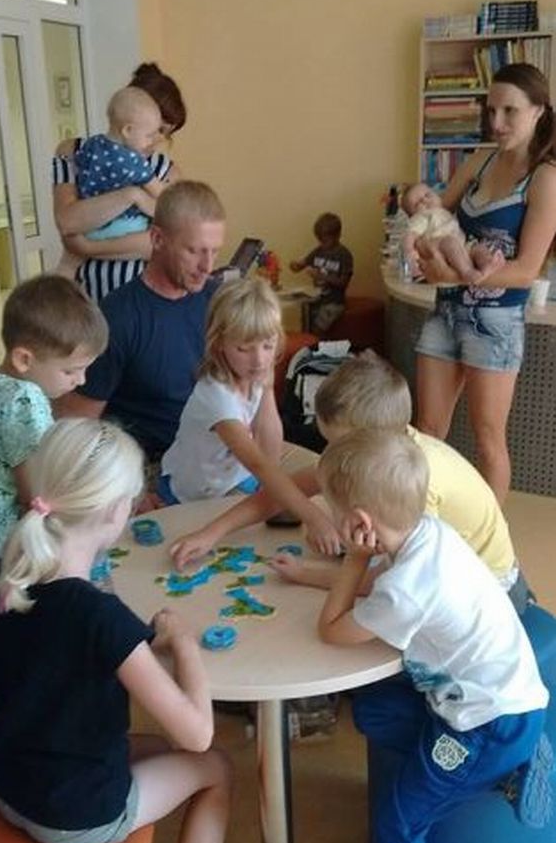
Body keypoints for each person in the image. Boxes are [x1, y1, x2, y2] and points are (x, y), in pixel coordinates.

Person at [0, 418, 281, 843]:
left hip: (10, 790)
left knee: (157, 752)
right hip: (74, 814)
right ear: (114, 513)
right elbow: (197, 731)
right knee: (213, 767)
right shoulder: (101, 619)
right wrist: (183, 643)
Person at [273, 428, 548, 843]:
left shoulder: (406, 591)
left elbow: (333, 629)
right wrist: (318, 573)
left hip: (483, 726)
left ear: (360, 523)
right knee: (373, 709)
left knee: (398, 822)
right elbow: (376, 593)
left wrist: (353, 558)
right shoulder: (432, 534)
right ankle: (508, 763)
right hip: (505, 694)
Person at [170, 350, 531, 615]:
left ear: (374, 441)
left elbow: (392, 584)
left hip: (491, 592)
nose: (331, 454)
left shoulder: (416, 485)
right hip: (432, 568)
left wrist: (306, 575)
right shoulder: (369, 450)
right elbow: (279, 494)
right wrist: (211, 533)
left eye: (338, 445)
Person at [0, 275, 107, 815]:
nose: (82, 380)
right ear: (24, 358)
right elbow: (38, 493)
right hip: (2, 569)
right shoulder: (25, 400)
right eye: (71, 370)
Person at [414, 63, 556, 504]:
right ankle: (423, 525)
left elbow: (527, 269)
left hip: (495, 322)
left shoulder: (545, 178)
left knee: (488, 439)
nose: (496, 123)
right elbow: (437, 211)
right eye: (491, 111)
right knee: (426, 432)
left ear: (539, 111)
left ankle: (491, 540)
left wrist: (453, 273)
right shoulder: (480, 159)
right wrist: (418, 213)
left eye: (510, 111)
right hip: (446, 311)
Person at [159, 275, 341, 554]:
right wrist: (312, 517)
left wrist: (266, 387)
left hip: (239, 475)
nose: (259, 360)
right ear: (219, 343)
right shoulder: (216, 397)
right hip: (199, 492)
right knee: (267, 534)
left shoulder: (254, 372)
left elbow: (270, 453)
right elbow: (260, 464)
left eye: (268, 345)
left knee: (292, 503)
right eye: (244, 348)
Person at [56, 181, 226, 467]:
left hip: (220, 450)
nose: (207, 267)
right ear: (157, 239)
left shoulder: (218, 300)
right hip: (152, 465)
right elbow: (76, 426)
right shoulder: (117, 317)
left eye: (215, 251)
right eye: (194, 251)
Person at [53, 61, 186, 302]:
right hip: (86, 297)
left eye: (166, 133)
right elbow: (68, 221)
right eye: (157, 130)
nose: (158, 140)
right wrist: (131, 196)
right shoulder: (76, 151)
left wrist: (86, 248)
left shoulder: (166, 170)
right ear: (130, 123)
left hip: (140, 297)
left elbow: (161, 244)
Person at [74, 87, 172, 242]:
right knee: (154, 231)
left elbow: (78, 167)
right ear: (128, 131)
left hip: (89, 227)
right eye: (149, 136)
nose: (152, 142)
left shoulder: (92, 144)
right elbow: (162, 194)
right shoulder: (132, 161)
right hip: (119, 228)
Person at [401, 182, 504, 283]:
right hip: (440, 246)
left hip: (462, 245)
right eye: (417, 204)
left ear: (438, 196)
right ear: (412, 215)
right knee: (450, 243)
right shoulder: (421, 217)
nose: (424, 201)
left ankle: (487, 263)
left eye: (427, 195)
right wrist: (409, 250)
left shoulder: (444, 211)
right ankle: (467, 272)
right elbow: (410, 234)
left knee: (478, 248)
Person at [290, 212, 353, 334]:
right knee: (301, 316)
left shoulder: (344, 255)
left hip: (334, 302)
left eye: (325, 241)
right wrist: (295, 266)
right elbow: (302, 264)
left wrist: (321, 276)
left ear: (338, 235)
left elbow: (343, 282)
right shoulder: (319, 251)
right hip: (317, 299)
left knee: (318, 327)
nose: (322, 244)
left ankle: (316, 342)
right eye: (319, 240)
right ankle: (308, 340)